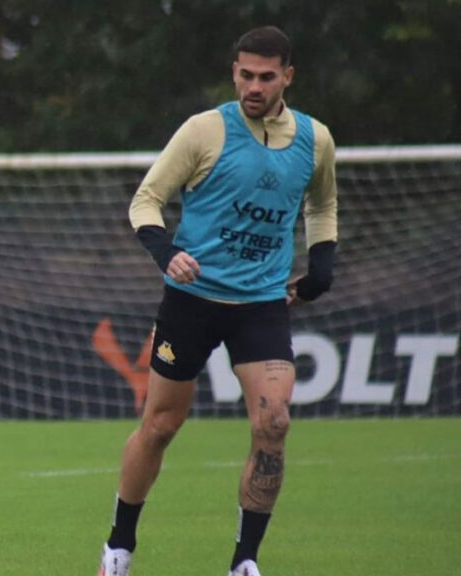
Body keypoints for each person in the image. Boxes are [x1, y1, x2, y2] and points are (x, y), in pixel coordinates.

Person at [98, 26, 338, 576]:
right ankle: (118, 546)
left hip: (261, 303)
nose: (254, 86)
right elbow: (146, 200)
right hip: (192, 299)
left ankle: (244, 561)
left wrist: (321, 267)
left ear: (288, 77)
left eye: (267, 76)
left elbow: (322, 206)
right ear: (234, 71)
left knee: (274, 422)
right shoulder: (204, 131)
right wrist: (165, 253)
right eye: (246, 74)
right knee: (160, 425)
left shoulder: (315, 139)